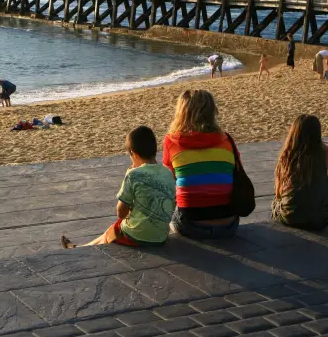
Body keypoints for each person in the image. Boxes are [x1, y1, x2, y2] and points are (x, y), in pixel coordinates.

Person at [60, 126, 176, 249]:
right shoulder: (167, 172)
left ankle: (80, 249)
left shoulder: (134, 175)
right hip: (160, 236)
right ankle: (81, 247)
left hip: (139, 236)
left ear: (134, 154)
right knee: (114, 229)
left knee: (114, 230)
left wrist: (127, 175)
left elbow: (121, 212)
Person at [163, 90, 241, 239]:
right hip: (229, 224)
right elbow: (236, 173)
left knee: (174, 217)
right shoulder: (227, 141)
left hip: (192, 225)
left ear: (181, 113)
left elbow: (169, 181)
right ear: (212, 111)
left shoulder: (172, 142)